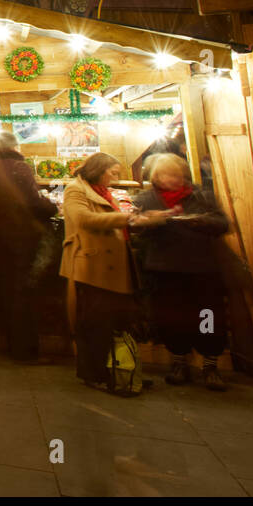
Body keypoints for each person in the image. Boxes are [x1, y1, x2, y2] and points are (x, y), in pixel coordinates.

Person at [60, 152, 174, 396]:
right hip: (91, 265)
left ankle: (120, 368)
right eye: (113, 172)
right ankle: (95, 374)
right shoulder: (76, 190)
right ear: (98, 170)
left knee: (115, 321)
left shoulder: (101, 190)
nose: (116, 177)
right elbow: (83, 219)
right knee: (93, 323)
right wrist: (129, 219)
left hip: (112, 266)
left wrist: (137, 220)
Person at [133, 153, 232, 391]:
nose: (174, 179)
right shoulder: (147, 199)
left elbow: (223, 224)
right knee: (171, 317)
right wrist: (149, 222)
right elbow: (133, 227)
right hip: (164, 270)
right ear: (157, 176)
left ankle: (210, 364)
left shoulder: (201, 196)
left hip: (202, 270)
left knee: (207, 316)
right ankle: (179, 362)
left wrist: (202, 222)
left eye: (177, 174)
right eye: (167, 175)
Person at [0, 131, 58, 362]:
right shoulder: (19, 167)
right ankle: (26, 350)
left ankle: (11, 344)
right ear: (16, 146)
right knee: (24, 292)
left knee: (8, 289)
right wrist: (53, 208)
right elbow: (32, 201)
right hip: (23, 236)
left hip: (1, 234)